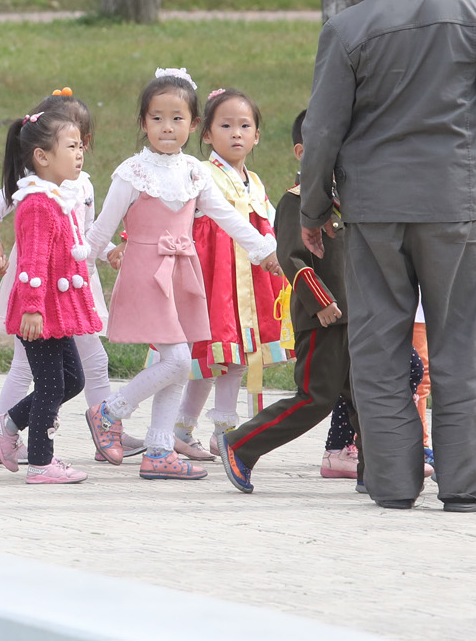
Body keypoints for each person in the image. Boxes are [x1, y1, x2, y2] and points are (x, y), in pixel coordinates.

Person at [298, 0, 476, 513]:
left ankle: (393, 483)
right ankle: (470, 485)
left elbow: (322, 133)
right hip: (451, 206)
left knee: (378, 349)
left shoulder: (346, 29)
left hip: (372, 214)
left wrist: (314, 210)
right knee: (458, 346)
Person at [81, 71, 276, 480]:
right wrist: (88, 261)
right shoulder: (132, 172)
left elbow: (226, 216)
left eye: (177, 118)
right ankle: (109, 411)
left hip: (184, 275)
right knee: (178, 360)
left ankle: (158, 449)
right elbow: (100, 229)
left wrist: (263, 249)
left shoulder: (194, 172)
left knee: (180, 360)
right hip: (147, 273)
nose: (167, 128)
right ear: (143, 124)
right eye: (157, 118)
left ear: (194, 126)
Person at [217, 112, 352, 493]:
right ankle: (242, 444)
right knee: (315, 398)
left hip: (353, 317)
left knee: (363, 395)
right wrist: (321, 302)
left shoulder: (347, 201)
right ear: (301, 151)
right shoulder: (298, 201)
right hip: (324, 317)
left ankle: (379, 469)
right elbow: (293, 257)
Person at [0, 91, 116, 465]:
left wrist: (107, 252)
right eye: (71, 144)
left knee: (75, 375)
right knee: (45, 379)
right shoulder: (35, 197)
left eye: (82, 142)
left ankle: (7, 427)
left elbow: (84, 237)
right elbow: (33, 260)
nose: (80, 151)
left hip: (67, 296)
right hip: (38, 302)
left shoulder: (73, 189)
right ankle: (36, 457)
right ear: (41, 151)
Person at [183, 88, 285, 454]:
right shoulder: (200, 173)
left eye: (245, 126)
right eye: (226, 125)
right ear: (207, 134)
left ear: (257, 135)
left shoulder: (254, 182)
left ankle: (209, 430)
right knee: (214, 357)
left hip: (250, 284)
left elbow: (271, 223)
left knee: (235, 357)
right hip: (216, 282)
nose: (236, 133)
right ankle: (207, 431)